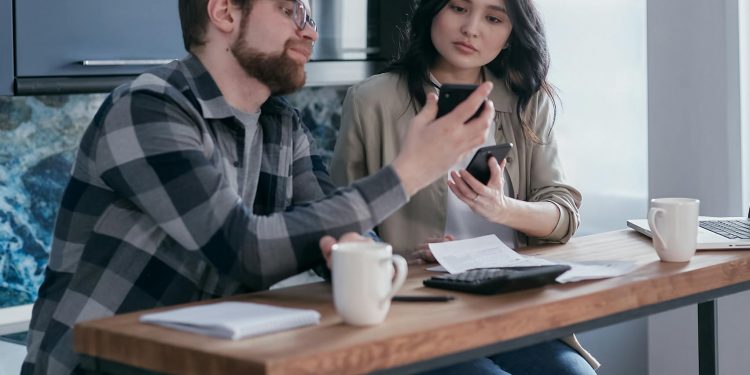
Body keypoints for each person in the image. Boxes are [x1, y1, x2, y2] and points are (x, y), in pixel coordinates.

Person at [21, 0, 496, 373]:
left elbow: (330, 221)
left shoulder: (281, 124)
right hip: (101, 364)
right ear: (225, 10)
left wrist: (376, 255)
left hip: (212, 359)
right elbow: (244, 248)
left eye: (309, 15)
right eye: (290, 10)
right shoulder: (147, 108)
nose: (309, 31)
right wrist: (410, 171)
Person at [331, 0, 599, 374]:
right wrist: (403, 260)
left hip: (513, 305)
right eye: (458, 8)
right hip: (418, 311)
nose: (471, 28)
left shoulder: (527, 99)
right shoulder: (372, 100)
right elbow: (342, 222)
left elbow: (564, 215)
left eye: (493, 18)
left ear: (509, 37)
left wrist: (502, 208)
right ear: (433, 11)